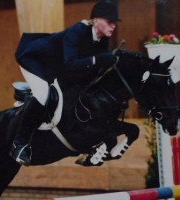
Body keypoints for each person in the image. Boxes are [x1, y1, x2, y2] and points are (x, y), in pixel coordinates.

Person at [10, 0, 121, 166]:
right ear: (96, 20)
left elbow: (92, 70)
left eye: (114, 23)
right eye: (109, 22)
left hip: (57, 67)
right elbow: (71, 65)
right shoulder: (77, 31)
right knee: (43, 93)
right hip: (34, 59)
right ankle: (20, 144)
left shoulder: (102, 38)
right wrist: (98, 59)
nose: (113, 26)